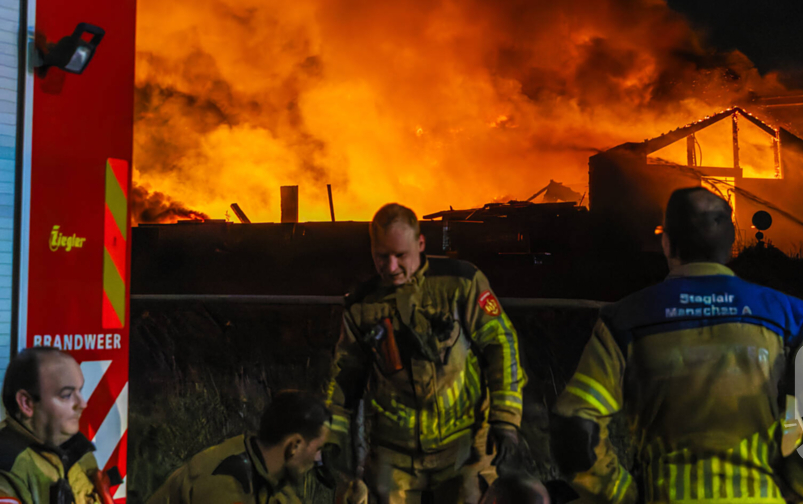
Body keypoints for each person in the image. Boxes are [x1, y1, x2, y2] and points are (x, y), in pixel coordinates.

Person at [550, 187, 803, 504]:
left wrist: (620, 496)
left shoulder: (625, 320)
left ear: (666, 243)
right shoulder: (787, 316)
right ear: (731, 242)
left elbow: (574, 423)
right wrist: (795, 486)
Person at [325, 203, 526, 504]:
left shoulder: (462, 283)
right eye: (382, 256)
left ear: (420, 244)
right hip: (394, 456)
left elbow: (502, 346)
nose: (391, 267)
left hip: (466, 448)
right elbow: (344, 380)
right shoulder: (361, 306)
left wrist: (506, 421)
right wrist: (332, 441)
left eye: (400, 256)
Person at [146, 390, 330, 504]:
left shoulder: (268, 476)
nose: (318, 458)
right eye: (317, 449)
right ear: (294, 446)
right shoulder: (226, 480)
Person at [0, 347, 108, 504]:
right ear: (27, 403)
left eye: (80, 391)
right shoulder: (8, 465)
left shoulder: (78, 450)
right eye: (67, 395)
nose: (82, 404)